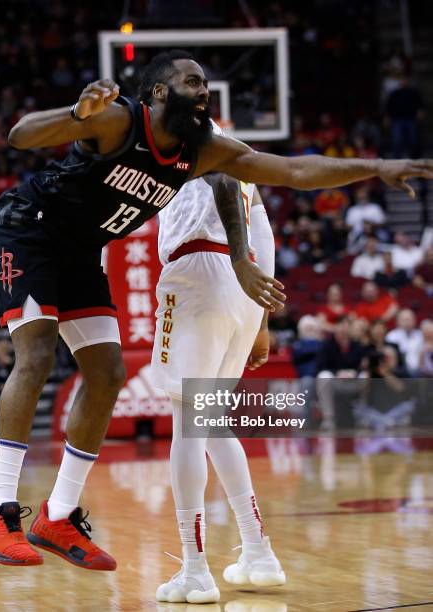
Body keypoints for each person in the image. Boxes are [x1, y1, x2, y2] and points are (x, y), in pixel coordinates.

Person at [0, 49, 433, 568]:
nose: (204, 90)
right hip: (29, 228)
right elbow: (20, 135)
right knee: (35, 355)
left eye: (207, 85)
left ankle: (57, 514)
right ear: (159, 92)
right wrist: (76, 115)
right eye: (193, 81)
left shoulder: (204, 150)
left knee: (107, 375)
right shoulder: (121, 118)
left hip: (80, 251)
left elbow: (294, 170)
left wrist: (375, 167)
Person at [150, 164, 284, 603]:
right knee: (208, 422)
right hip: (243, 285)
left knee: (188, 423)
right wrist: (261, 317)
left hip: (197, 271)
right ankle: (258, 551)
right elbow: (263, 233)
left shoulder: (184, 138)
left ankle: (194, 568)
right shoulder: (240, 156)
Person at [386, 309, 423, 374]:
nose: (407, 322)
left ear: (414, 320)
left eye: (409, 319)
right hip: (399, 372)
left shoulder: (421, 335)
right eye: (404, 320)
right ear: (398, 322)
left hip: (420, 372)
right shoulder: (391, 337)